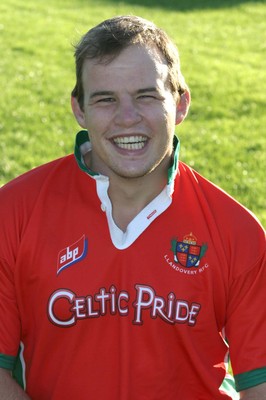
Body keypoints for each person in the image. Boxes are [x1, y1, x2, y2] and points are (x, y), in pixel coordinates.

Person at [0, 15, 265, 400]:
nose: (127, 118)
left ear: (180, 103)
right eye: (106, 99)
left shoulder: (237, 231)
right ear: (79, 109)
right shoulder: (13, 212)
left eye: (146, 96)